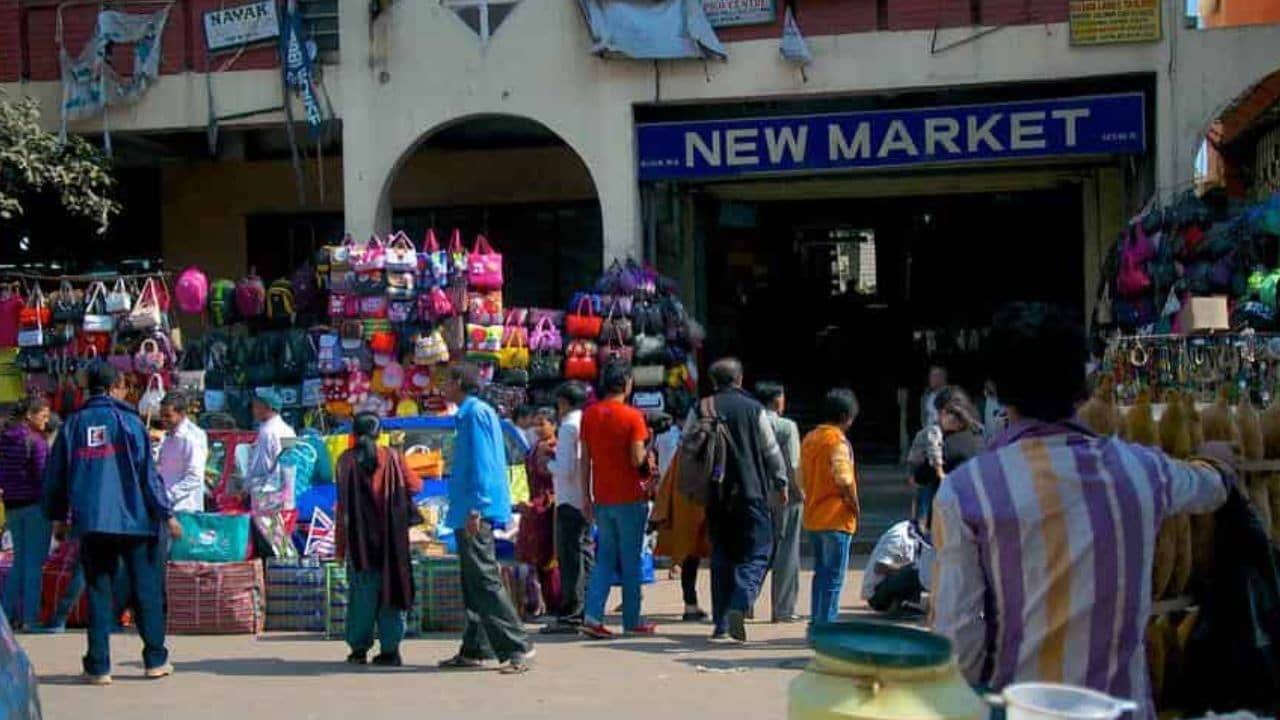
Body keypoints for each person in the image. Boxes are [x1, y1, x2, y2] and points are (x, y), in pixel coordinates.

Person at [930, 303, 1232, 716]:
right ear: (1084, 386)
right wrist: (1217, 459)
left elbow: (958, 637)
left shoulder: (967, 491)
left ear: (995, 390)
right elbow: (1210, 489)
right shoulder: (1142, 471)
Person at [42, 362, 181, 685]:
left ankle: (99, 666)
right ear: (116, 386)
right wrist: (166, 513)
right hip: (137, 520)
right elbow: (148, 476)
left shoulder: (73, 424)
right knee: (145, 589)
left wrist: (58, 517)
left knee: (98, 591)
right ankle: (155, 660)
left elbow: (56, 475)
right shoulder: (131, 423)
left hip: (93, 522)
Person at [437, 363, 534, 674]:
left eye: (446, 381)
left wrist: (478, 507)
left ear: (458, 382)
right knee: (473, 582)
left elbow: (484, 463)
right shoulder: (470, 414)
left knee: (485, 579)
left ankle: (517, 646)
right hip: (466, 508)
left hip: (474, 510)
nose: (442, 387)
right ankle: (474, 648)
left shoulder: (475, 413)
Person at [695, 358, 789, 643]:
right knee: (760, 550)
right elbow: (771, 451)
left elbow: (687, 448)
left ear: (713, 381)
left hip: (715, 495)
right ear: (739, 379)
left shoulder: (701, 408)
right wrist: (781, 482)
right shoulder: (753, 409)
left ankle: (721, 625)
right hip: (751, 492)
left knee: (722, 556)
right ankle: (741, 600)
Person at [334, 413, 423, 667]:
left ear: (353, 433)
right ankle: (390, 651)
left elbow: (342, 507)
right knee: (392, 594)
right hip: (391, 543)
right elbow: (416, 487)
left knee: (361, 598)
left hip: (360, 543)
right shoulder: (392, 457)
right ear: (379, 433)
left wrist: (340, 548)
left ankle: (358, 650)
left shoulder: (345, 461)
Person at [579, 364, 656, 639]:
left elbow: (585, 460)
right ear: (626, 383)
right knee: (631, 560)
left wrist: (585, 496)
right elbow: (637, 460)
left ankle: (592, 616)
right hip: (630, 497)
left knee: (605, 558)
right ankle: (632, 620)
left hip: (602, 496)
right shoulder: (633, 416)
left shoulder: (589, 415)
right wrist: (649, 449)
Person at [800, 388, 860, 628]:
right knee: (834, 579)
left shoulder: (810, 438)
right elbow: (844, 478)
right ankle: (827, 627)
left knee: (821, 575)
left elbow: (800, 477)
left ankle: (816, 624)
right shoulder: (837, 441)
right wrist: (854, 504)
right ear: (846, 417)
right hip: (836, 517)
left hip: (813, 516)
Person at [543, 381, 592, 634]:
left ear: (563, 402)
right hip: (585, 497)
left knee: (571, 558)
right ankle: (588, 608)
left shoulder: (568, 427)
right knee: (584, 553)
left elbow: (565, 468)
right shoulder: (585, 422)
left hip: (569, 498)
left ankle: (572, 614)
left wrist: (547, 463)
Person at [0, 396, 52, 631]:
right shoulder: (36, 442)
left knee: (18, 563)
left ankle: (5, 617)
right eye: (43, 415)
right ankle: (30, 619)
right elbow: (43, 478)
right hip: (35, 508)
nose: (46, 420)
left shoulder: (4, 440)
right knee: (33, 565)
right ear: (29, 415)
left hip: (12, 507)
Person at [756, 381, 803, 624]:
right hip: (784, 496)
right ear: (777, 400)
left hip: (755, 493)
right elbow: (793, 464)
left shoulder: (751, 423)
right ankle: (783, 608)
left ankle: (744, 602)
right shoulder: (786, 426)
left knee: (757, 550)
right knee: (787, 551)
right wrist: (800, 492)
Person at [910, 387, 984, 531]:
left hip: (949, 521)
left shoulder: (947, 444)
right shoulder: (981, 437)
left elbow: (920, 476)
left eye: (940, 413)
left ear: (948, 413)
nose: (938, 419)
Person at [516, 407, 560, 615]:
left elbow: (557, 482)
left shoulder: (555, 449)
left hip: (548, 508)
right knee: (535, 558)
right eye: (536, 424)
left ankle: (556, 604)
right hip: (533, 507)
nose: (538, 428)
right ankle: (542, 605)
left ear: (554, 425)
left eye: (542, 424)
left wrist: (539, 504)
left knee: (550, 558)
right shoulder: (534, 447)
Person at [157, 392, 209, 514]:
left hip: (185, 508)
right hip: (168, 506)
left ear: (182, 414)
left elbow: (195, 477)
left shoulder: (192, 438)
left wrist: (169, 495)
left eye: (168, 416)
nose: (163, 420)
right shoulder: (168, 437)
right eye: (161, 415)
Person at [243, 389, 297, 508]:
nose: (253, 410)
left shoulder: (267, 432)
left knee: (265, 521)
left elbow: (260, 466)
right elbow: (291, 463)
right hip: (286, 493)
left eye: (256, 406)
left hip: (266, 493)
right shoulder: (289, 430)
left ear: (269, 407)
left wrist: (246, 486)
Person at [861, 520, 926, 613]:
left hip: (886, 585)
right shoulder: (898, 536)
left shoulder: (916, 534)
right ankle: (895, 605)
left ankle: (906, 603)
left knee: (920, 568)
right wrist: (905, 568)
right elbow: (879, 567)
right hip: (876, 596)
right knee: (915, 571)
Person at [920, 365, 948, 430]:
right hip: (929, 431)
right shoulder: (926, 396)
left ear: (942, 378)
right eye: (931, 376)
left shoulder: (950, 394)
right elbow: (924, 416)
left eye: (934, 376)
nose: (931, 379)